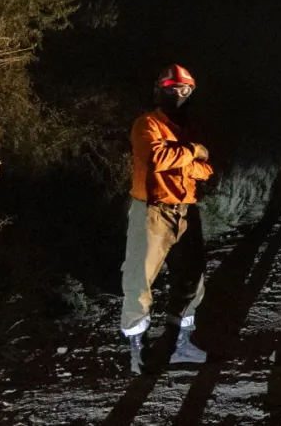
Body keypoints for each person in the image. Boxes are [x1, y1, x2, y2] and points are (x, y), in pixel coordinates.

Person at [121, 64, 214, 374]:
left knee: (192, 278)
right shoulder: (146, 124)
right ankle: (138, 350)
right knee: (139, 278)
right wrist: (192, 153)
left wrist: (185, 156)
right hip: (152, 211)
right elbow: (156, 158)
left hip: (186, 212)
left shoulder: (186, 130)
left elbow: (206, 170)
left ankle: (180, 343)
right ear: (160, 90)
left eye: (185, 90)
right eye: (173, 89)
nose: (179, 95)